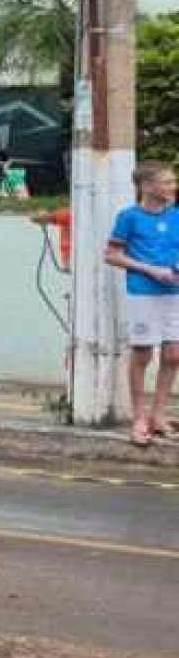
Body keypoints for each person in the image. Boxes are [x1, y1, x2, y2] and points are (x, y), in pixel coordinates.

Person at [106, 161, 179, 446]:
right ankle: (139, 417)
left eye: (173, 181)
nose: (172, 186)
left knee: (174, 354)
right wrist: (150, 270)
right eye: (166, 182)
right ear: (147, 186)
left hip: (174, 292)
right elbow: (111, 254)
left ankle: (159, 416)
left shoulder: (176, 216)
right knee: (143, 354)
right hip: (143, 291)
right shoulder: (129, 217)